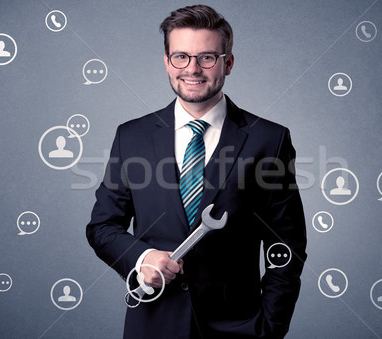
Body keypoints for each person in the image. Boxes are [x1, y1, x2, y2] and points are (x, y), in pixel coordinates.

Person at [87, 5, 307, 338]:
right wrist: (141, 258)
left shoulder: (269, 140)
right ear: (166, 62)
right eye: (180, 57)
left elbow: (286, 247)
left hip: (240, 328)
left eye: (207, 57)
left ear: (227, 63)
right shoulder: (130, 137)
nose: (192, 69)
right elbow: (103, 226)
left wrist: (269, 328)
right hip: (153, 325)